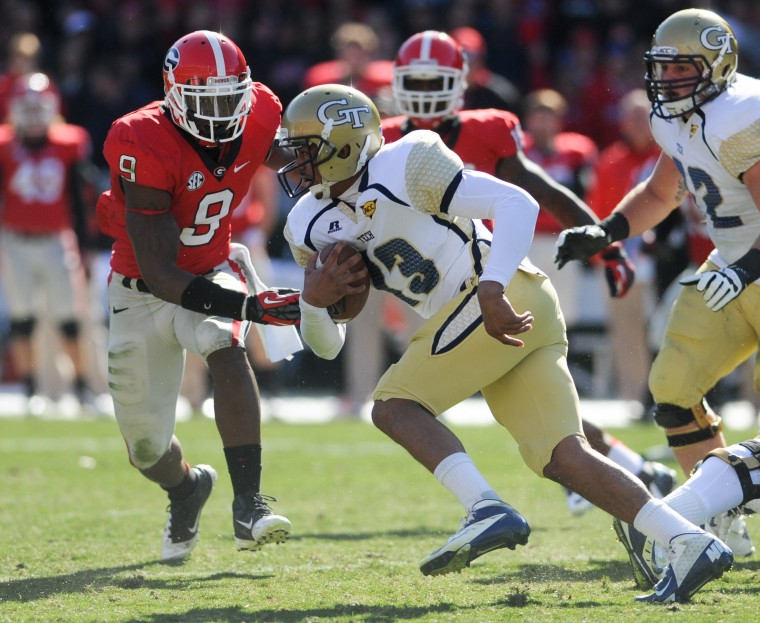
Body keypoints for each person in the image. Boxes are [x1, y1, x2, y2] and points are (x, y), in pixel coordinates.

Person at [276, 82, 732, 603]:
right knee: (563, 457)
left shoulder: (405, 161)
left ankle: (485, 508)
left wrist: (491, 288)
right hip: (504, 312)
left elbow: (515, 202)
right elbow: (328, 346)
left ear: (343, 142)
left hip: (497, 294)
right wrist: (313, 303)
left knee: (393, 406)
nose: (297, 163)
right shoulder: (307, 222)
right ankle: (690, 541)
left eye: (306, 149)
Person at [383, 30, 676, 517]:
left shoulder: (487, 129)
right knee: (526, 395)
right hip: (438, 289)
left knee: (424, 400)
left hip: (493, 282)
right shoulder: (384, 139)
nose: (426, 89)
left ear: (461, 84)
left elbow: (545, 192)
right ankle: (635, 468)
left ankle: (492, 504)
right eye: (417, 80)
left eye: (436, 79)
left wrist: (608, 246)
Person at [554, 7, 759, 573]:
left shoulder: (744, 114)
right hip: (733, 267)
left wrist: (744, 269)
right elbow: (662, 192)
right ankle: (720, 514)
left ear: (717, 65)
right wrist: (606, 230)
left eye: (681, 69)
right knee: (671, 386)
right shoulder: (681, 116)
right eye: (661, 69)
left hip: (747, 268)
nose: (666, 82)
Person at [96, 30, 302, 562]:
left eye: (230, 98)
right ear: (173, 94)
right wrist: (252, 307)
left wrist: (321, 155)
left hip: (215, 262)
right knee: (146, 450)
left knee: (227, 351)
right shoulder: (139, 139)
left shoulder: (259, 113)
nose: (220, 113)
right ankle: (186, 488)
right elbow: (162, 274)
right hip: (144, 289)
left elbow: (270, 152)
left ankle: (249, 504)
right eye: (205, 101)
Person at [0, 72, 95, 414]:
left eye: (40, 108)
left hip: (56, 239)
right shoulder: (5, 146)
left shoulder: (68, 144)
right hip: (15, 240)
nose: (34, 116)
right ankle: (30, 389)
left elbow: (78, 200)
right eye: (27, 108)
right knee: (22, 319)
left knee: (69, 318)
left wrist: (84, 246)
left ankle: (81, 388)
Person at [584, 88, 662, 408]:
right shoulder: (610, 159)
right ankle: (635, 398)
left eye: (643, 116)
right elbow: (597, 207)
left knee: (663, 329)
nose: (638, 123)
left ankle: (667, 396)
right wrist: (598, 253)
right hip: (621, 259)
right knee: (627, 334)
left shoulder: (668, 156)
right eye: (632, 117)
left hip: (662, 259)